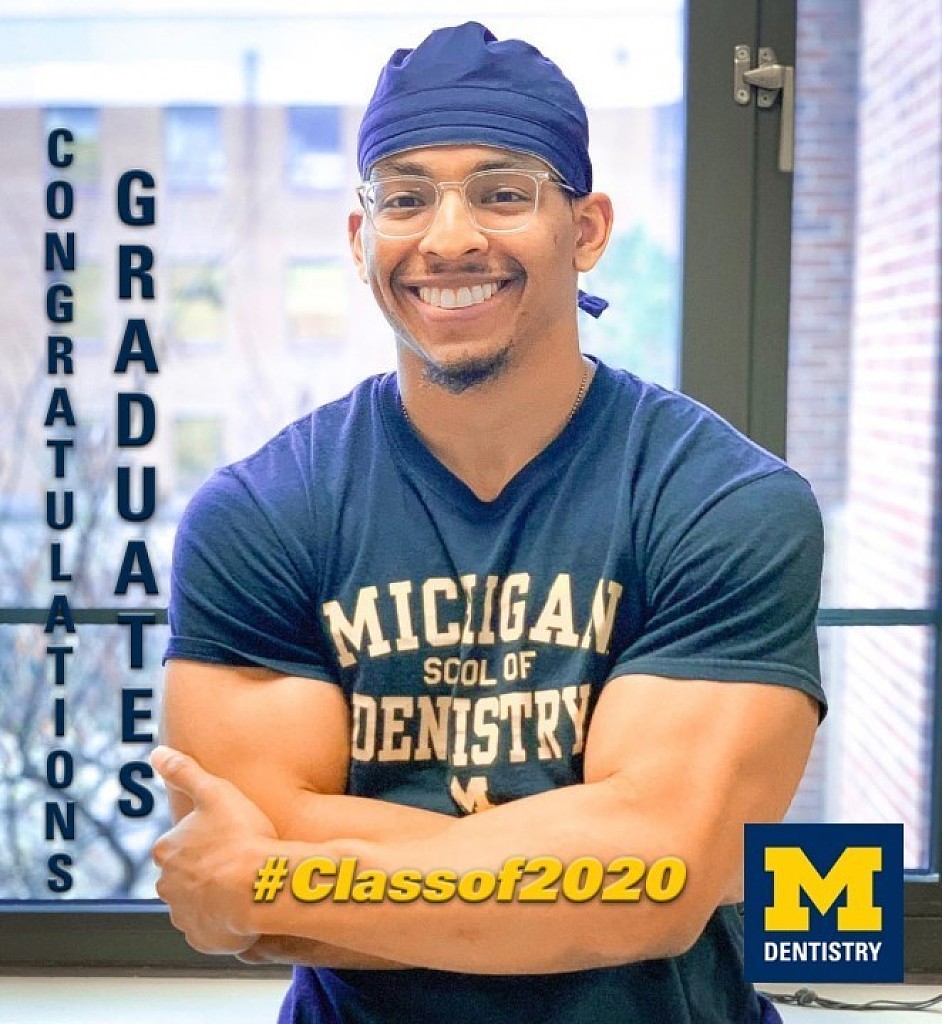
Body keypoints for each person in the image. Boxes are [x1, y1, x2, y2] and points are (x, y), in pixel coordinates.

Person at [151, 21, 825, 1024]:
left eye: (503, 193)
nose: (449, 237)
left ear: (586, 229)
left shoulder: (719, 501)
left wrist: (282, 882)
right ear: (359, 238)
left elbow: (662, 878)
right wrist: (576, 863)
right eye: (405, 198)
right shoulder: (261, 515)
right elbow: (234, 855)